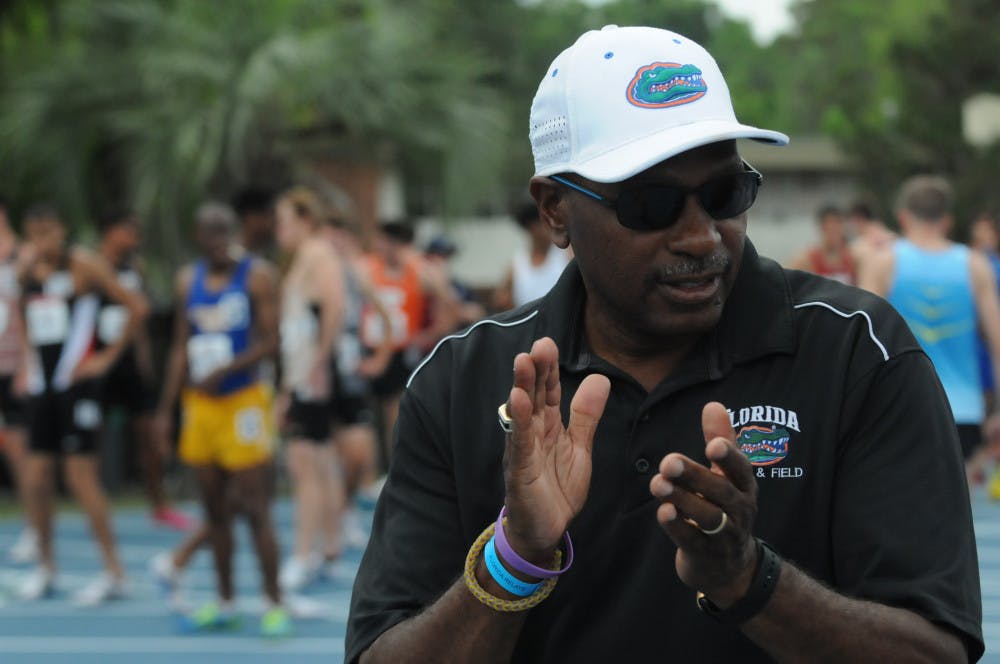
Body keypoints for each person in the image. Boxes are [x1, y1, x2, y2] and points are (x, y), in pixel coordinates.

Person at [347, 26, 981, 663]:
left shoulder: (856, 353)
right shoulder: (463, 380)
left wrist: (746, 580)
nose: (702, 236)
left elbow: (934, 652)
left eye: (725, 194)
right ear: (554, 209)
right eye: (652, 205)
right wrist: (518, 558)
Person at [153, 202, 290, 636]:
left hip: (243, 401)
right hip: (200, 407)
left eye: (223, 231)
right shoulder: (186, 280)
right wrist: (166, 408)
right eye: (208, 232)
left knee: (254, 507)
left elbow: (272, 341)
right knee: (212, 510)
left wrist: (225, 370)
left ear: (233, 231)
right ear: (198, 235)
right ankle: (226, 600)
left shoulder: (256, 276)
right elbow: (179, 345)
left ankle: (273, 603)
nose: (216, 240)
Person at [16, 203, 147, 605]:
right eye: (35, 234)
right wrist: (25, 361)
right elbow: (20, 315)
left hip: (79, 386)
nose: (43, 241)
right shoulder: (28, 272)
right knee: (36, 478)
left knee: (80, 479)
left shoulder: (83, 266)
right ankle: (46, 566)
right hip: (44, 387)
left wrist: (105, 358)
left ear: (62, 230)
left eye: (49, 232)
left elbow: (136, 306)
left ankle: (114, 572)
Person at [860, 177, 1000, 468]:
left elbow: (861, 339)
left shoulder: (883, 262)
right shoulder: (975, 264)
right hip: (963, 411)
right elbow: (997, 340)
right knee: (959, 510)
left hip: (899, 407)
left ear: (902, 216)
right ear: (947, 220)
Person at [97, 209, 192, 530]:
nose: (135, 238)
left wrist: (144, 359)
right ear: (110, 231)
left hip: (128, 364)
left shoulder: (134, 267)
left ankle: (160, 504)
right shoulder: (91, 266)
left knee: (148, 435)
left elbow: (141, 318)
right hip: (98, 360)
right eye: (129, 230)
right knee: (87, 439)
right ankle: (93, 501)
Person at [273, 187, 347, 591]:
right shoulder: (306, 256)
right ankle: (329, 546)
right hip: (301, 370)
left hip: (312, 372)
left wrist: (318, 366)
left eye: (284, 221)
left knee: (305, 462)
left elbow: (335, 308)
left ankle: (303, 554)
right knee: (318, 460)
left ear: (304, 220)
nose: (278, 229)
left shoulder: (318, 253)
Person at [361, 221, 458, 466]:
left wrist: (427, 335)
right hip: (369, 348)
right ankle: (372, 473)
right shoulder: (367, 268)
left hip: (401, 351)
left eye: (394, 243)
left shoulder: (419, 271)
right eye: (382, 242)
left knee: (395, 414)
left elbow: (449, 307)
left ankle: (395, 468)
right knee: (365, 419)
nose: (386, 248)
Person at [0, 197, 33, 563]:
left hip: (15, 368)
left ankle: (33, 526)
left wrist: (28, 364)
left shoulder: (22, 256)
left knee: (19, 450)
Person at [493, 201, 571, 310]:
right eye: (546, 222)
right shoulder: (515, 266)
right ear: (531, 227)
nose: (554, 225)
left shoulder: (568, 254)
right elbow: (501, 302)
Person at [788, 205, 856, 284]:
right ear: (820, 227)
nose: (833, 229)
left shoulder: (854, 257)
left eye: (837, 224)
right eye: (828, 225)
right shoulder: (806, 259)